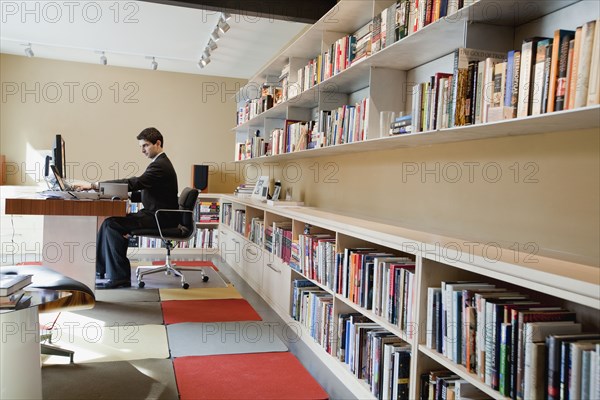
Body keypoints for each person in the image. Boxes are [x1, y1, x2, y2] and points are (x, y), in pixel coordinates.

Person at [94, 127, 179, 289]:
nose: (142, 150)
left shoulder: (160, 165)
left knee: (112, 225)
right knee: (108, 223)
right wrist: (126, 195)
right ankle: (101, 270)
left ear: (158, 143)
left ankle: (119, 278)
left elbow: (135, 183)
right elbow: (147, 192)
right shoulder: (160, 163)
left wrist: (98, 186)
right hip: (156, 214)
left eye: (145, 145)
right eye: (141, 146)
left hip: (159, 218)